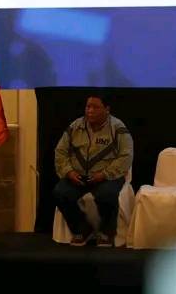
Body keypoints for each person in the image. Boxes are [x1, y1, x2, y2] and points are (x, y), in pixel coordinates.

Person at [52, 95, 133, 247]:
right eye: (88, 107)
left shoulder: (117, 128)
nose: (90, 110)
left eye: (95, 107)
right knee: (60, 192)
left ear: (107, 109)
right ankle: (82, 229)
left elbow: (126, 156)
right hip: (78, 176)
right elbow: (60, 151)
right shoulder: (75, 126)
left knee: (106, 195)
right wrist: (69, 172)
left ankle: (106, 232)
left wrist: (104, 174)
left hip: (107, 176)